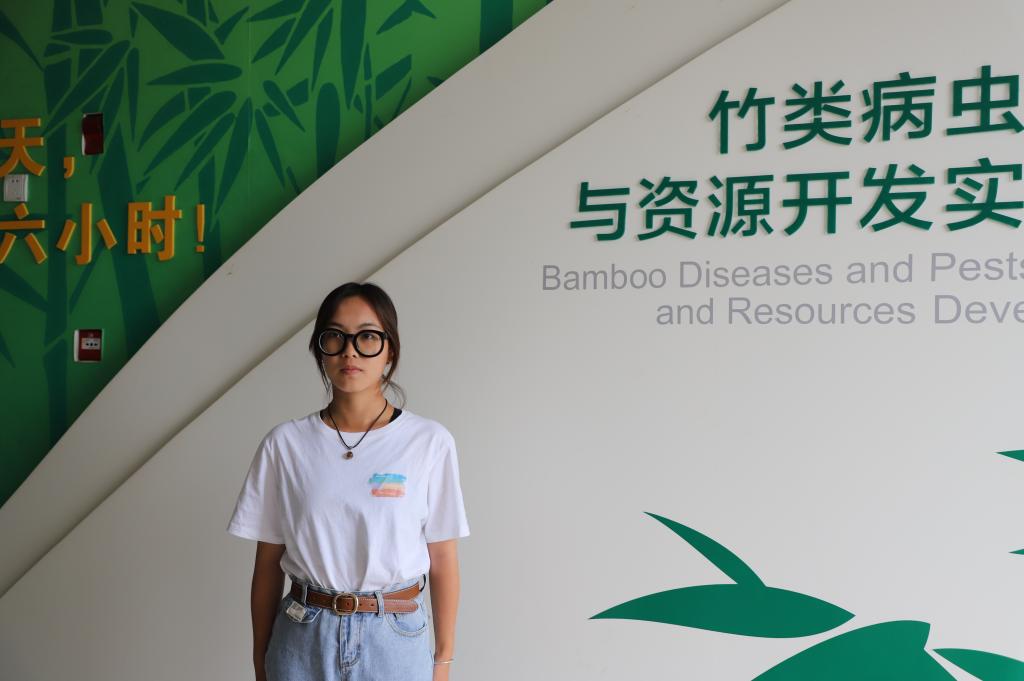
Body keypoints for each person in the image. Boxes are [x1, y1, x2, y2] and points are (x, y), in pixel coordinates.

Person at [226, 281, 470, 681]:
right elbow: (268, 563)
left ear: (390, 351)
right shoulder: (285, 444)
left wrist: (442, 661)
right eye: (335, 337)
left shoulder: (429, 442)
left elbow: (443, 559)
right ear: (319, 349)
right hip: (302, 637)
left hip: (395, 639)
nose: (350, 351)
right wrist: (261, 657)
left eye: (367, 337)